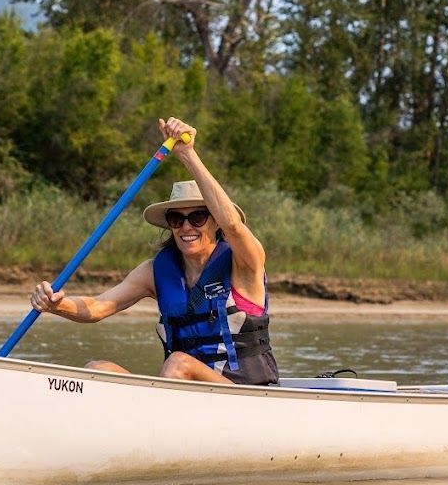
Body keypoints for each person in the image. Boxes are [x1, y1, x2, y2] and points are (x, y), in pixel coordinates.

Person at [29, 117, 278, 385]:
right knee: (98, 369)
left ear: (215, 221)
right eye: (176, 219)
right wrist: (56, 305)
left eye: (197, 217)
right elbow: (98, 307)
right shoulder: (154, 272)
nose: (186, 227)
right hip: (186, 394)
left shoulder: (244, 262)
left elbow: (234, 225)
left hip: (242, 393)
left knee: (178, 363)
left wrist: (187, 154)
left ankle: (159, 422)